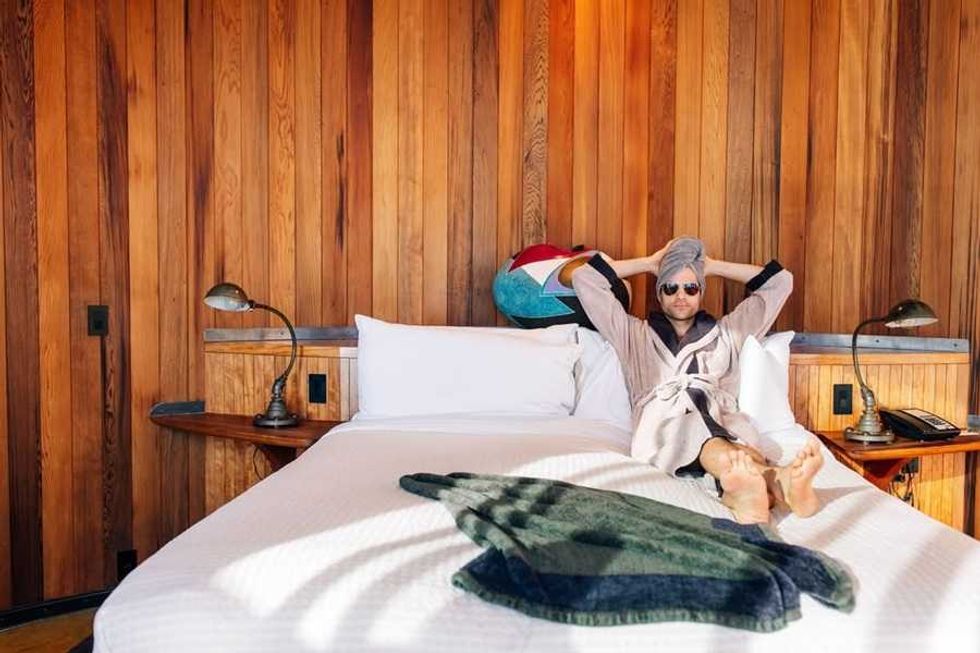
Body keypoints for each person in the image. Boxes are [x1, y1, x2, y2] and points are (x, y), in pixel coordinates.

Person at [570, 236, 823, 524]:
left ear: (701, 292)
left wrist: (711, 266)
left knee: (734, 444)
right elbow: (584, 279)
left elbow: (781, 282)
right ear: (659, 294)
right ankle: (778, 482)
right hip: (665, 424)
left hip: (723, 419)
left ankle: (752, 493)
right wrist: (650, 263)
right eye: (670, 287)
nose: (681, 295)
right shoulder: (633, 334)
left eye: (691, 288)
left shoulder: (729, 332)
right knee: (700, 432)